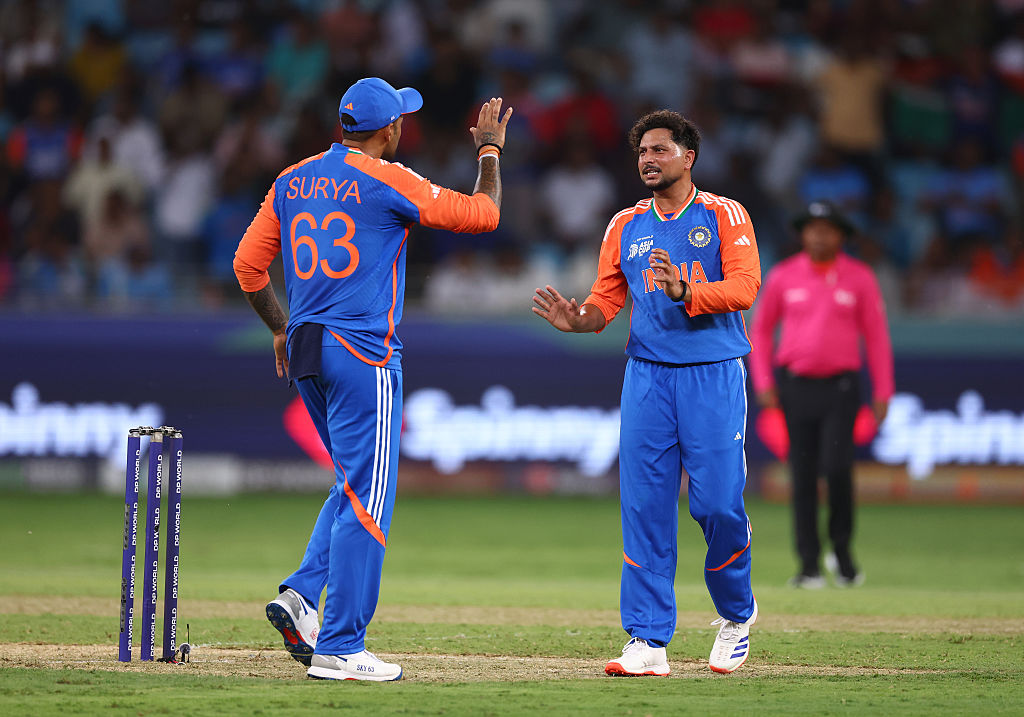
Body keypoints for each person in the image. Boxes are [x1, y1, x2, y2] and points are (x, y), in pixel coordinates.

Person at [233, 77, 512, 681]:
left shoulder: (292, 178)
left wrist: (280, 328)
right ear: (391, 130)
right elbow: (484, 215)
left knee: (352, 482)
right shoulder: (391, 178)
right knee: (368, 500)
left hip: (306, 347)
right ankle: (340, 646)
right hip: (363, 352)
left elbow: (248, 267)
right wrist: (489, 153)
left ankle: (302, 598)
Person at [532, 110, 761, 676]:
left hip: (712, 372)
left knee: (715, 505)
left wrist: (689, 289)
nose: (647, 160)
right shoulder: (623, 225)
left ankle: (737, 615)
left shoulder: (724, 213)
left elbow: (746, 286)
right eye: (641, 152)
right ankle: (647, 641)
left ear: (689, 156)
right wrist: (577, 318)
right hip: (647, 378)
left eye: (660, 149)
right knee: (645, 508)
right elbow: (605, 303)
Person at [748, 201, 893, 589]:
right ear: (803, 234)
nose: (819, 236)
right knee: (803, 474)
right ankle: (809, 565)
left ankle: (843, 556)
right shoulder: (783, 276)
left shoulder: (859, 277)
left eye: (827, 229)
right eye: (812, 228)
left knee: (838, 469)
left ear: (841, 236)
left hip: (842, 388)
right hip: (795, 386)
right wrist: (763, 382)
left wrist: (883, 390)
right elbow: (760, 331)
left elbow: (876, 337)